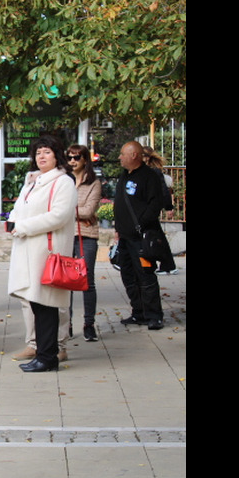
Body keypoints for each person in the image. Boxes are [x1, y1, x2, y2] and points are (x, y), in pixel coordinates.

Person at [7, 136, 77, 372]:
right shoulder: (33, 182)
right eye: (38, 153)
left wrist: (24, 226)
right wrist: (13, 221)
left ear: (56, 155)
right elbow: (19, 209)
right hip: (28, 250)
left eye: (46, 152)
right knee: (37, 304)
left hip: (47, 252)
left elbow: (59, 216)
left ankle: (48, 357)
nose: (41, 157)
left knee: (47, 305)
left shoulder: (63, 182)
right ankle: (44, 354)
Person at [114, 141, 165, 330]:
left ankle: (154, 315)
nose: (119, 157)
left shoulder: (149, 176)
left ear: (133, 155)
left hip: (142, 237)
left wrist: (140, 225)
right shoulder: (124, 175)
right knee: (128, 275)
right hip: (125, 238)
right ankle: (139, 312)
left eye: (122, 154)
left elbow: (155, 204)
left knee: (145, 275)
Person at [67, 144, 102, 342]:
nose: (72, 161)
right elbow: (56, 207)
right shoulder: (64, 181)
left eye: (77, 157)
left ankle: (89, 324)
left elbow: (89, 211)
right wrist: (78, 213)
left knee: (87, 281)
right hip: (66, 235)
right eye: (69, 157)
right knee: (67, 281)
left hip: (87, 236)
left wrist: (72, 212)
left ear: (85, 160)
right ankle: (68, 323)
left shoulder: (93, 183)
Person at [142, 146, 178, 275]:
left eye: (143, 156)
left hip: (151, 210)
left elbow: (163, 190)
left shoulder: (154, 172)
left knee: (155, 236)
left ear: (147, 157)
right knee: (158, 236)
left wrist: (169, 207)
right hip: (147, 209)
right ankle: (167, 264)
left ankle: (165, 265)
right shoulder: (145, 171)